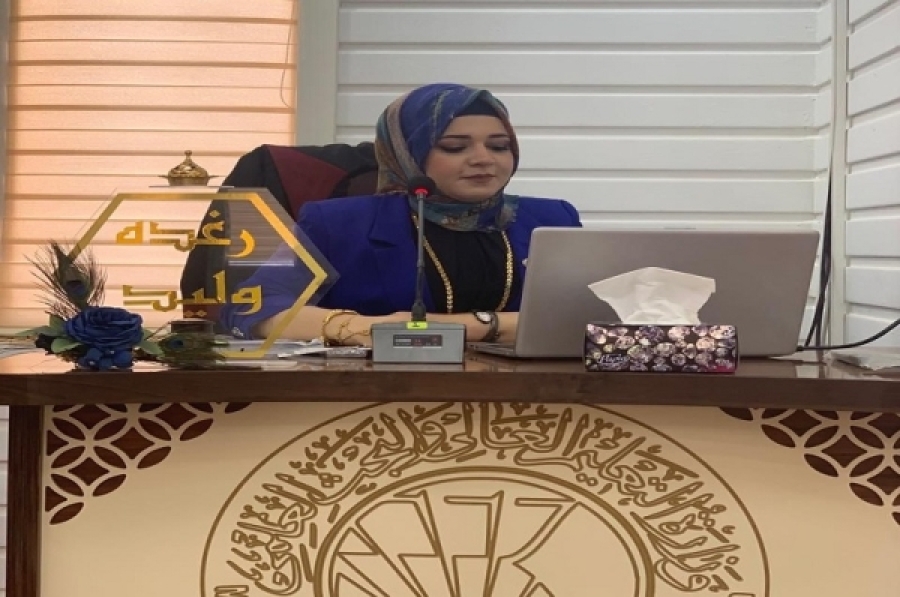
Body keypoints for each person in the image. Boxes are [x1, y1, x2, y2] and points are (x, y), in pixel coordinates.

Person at [221, 82, 581, 346]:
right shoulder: (338, 224)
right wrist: (357, 328)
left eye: (499, 146)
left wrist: (470, 326)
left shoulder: (552, 218)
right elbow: (255, 310)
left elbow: (587, 317)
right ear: (407, 155)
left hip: (534, 395)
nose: (483, 159)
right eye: (455, 147)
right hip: (374, 395)